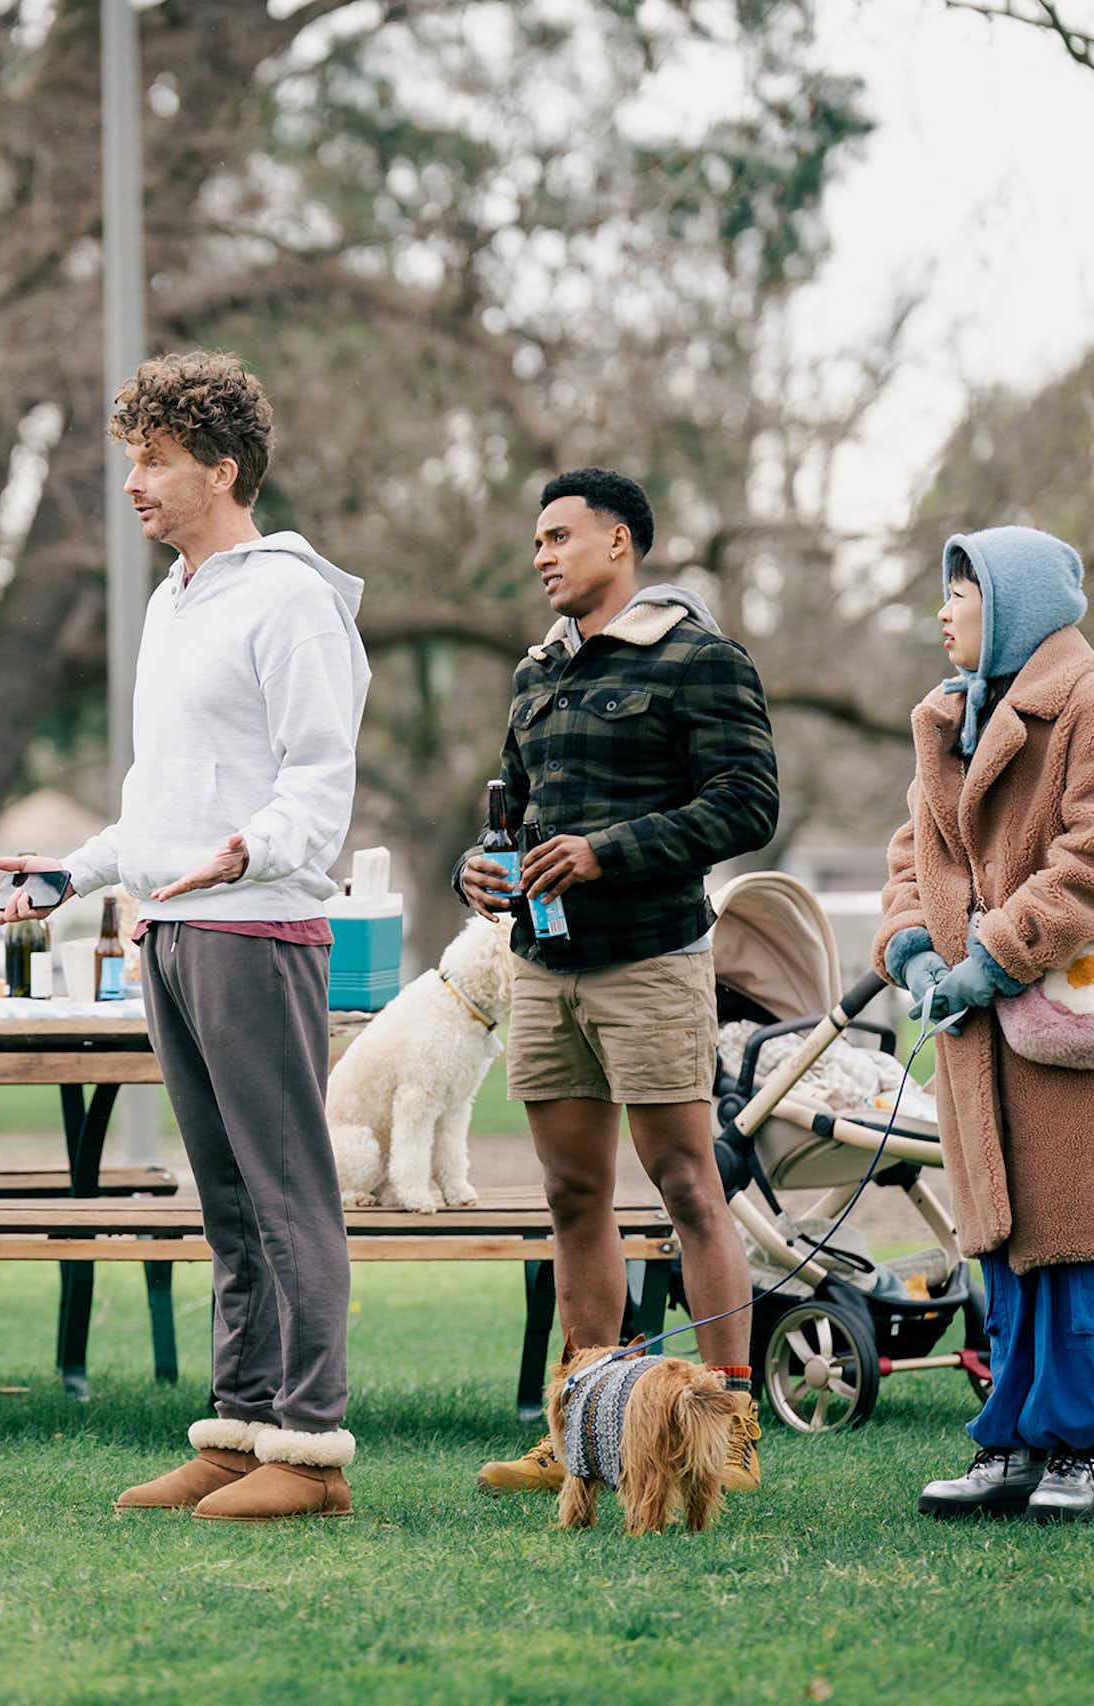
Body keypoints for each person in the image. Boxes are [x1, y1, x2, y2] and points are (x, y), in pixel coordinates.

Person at [0, 351, 371, 1522]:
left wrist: (245, 850)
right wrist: (72, 875)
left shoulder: (290, 599)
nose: (134, 481)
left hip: (257, 928)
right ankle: (241, 1433)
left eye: (155, 460)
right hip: (174, 927)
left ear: (224, 469)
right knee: (227, 1201)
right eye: (131, 457)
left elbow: (317, 782)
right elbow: (160, 798)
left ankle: (311, 1448)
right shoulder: (173, 598)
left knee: (290, 1193)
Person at [459, 468, 779, 1498]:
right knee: (572, 1196)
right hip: (545, 967)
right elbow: (514, 810)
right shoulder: (535, 673)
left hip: (653, 961)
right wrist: (482, 860)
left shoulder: (698, 658)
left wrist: (608, 851)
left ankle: (729, 1430)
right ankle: (583, 1431)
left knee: (687, 1186)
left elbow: (745, 804)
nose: (541, 555)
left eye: (558, 536)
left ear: (620, 545)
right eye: (535, 541)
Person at [880, 528, 1094, 1524]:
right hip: (983, 1040)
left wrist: (997, 950)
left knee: (1083, 1247)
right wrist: (912, 946)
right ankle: (1009, 1443)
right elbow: (906, 854)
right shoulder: (947, 720)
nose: (943, 610)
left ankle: (1074, 1452)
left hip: (1074, 1024)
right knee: (1006, 1251)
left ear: (1010, 600)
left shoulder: (1092, 709)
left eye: (957, 590)